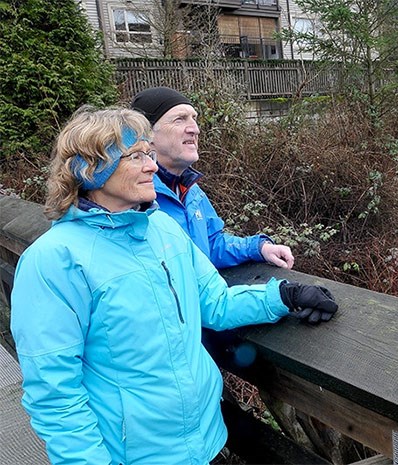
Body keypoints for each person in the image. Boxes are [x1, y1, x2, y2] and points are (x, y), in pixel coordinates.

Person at [10, 107, 338, 465]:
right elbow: (55, 393)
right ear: (90, 169)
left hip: (208, 440)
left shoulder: (164, 230)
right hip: (133, 456)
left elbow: (215, 302)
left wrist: (282, 295)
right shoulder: (54, 262)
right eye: (136, 156)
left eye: (150, 154)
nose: (152, 166)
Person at [131, 86, 294, 361]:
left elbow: (212, 244)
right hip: (161, 354)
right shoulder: (136, 199)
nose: (193, 128)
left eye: (194, 118)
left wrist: (258, 248)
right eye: (179, 119)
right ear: (147, 137)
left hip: (199, 352)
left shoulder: (190, 191)